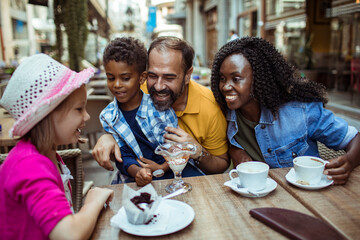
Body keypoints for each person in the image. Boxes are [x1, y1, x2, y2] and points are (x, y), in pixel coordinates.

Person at [210, 36, 360, 185]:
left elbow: (353, 138)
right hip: (256, 196)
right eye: (222, 78)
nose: (225, 86)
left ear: (259, 79)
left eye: (236, 79)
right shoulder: (225, 111)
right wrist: (234, 149)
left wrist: (349, 162)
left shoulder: (299, 112)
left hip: (305, 193)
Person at [0, 54, 114, 239]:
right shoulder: (29, 166)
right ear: (48, 115)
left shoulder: (49, 155)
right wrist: (93, 201)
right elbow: (69, 235)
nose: (87, 116)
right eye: (79, 109)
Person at [92, 36, 229, 175]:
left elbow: (221, 165)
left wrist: (197, 151)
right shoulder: (138, 90)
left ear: (188, 75)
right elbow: (121, 134)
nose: (158, 86)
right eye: (152, 76)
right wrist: (107, 136)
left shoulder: (210, 106)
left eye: (169, 78)